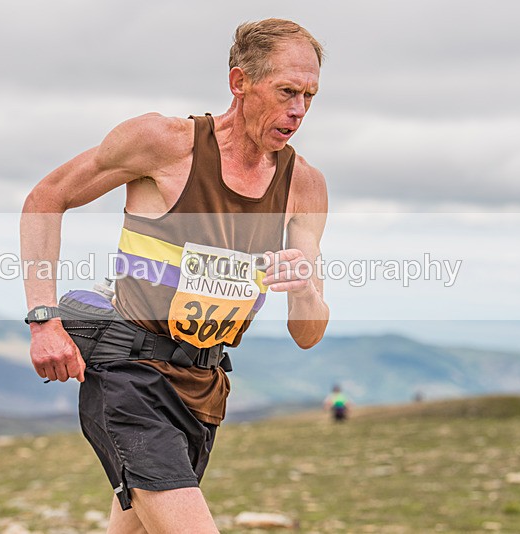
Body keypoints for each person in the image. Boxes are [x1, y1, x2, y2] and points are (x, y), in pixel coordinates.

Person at [20, 18, 329, 533]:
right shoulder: (165, 144)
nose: (298, 110)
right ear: (240, 83)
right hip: (128, 371)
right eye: (286, 92)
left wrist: (305, 291)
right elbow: (46, 199)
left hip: (202, 387)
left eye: (310, 96)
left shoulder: (305, 186)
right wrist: (43, 320)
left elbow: (308, 333)